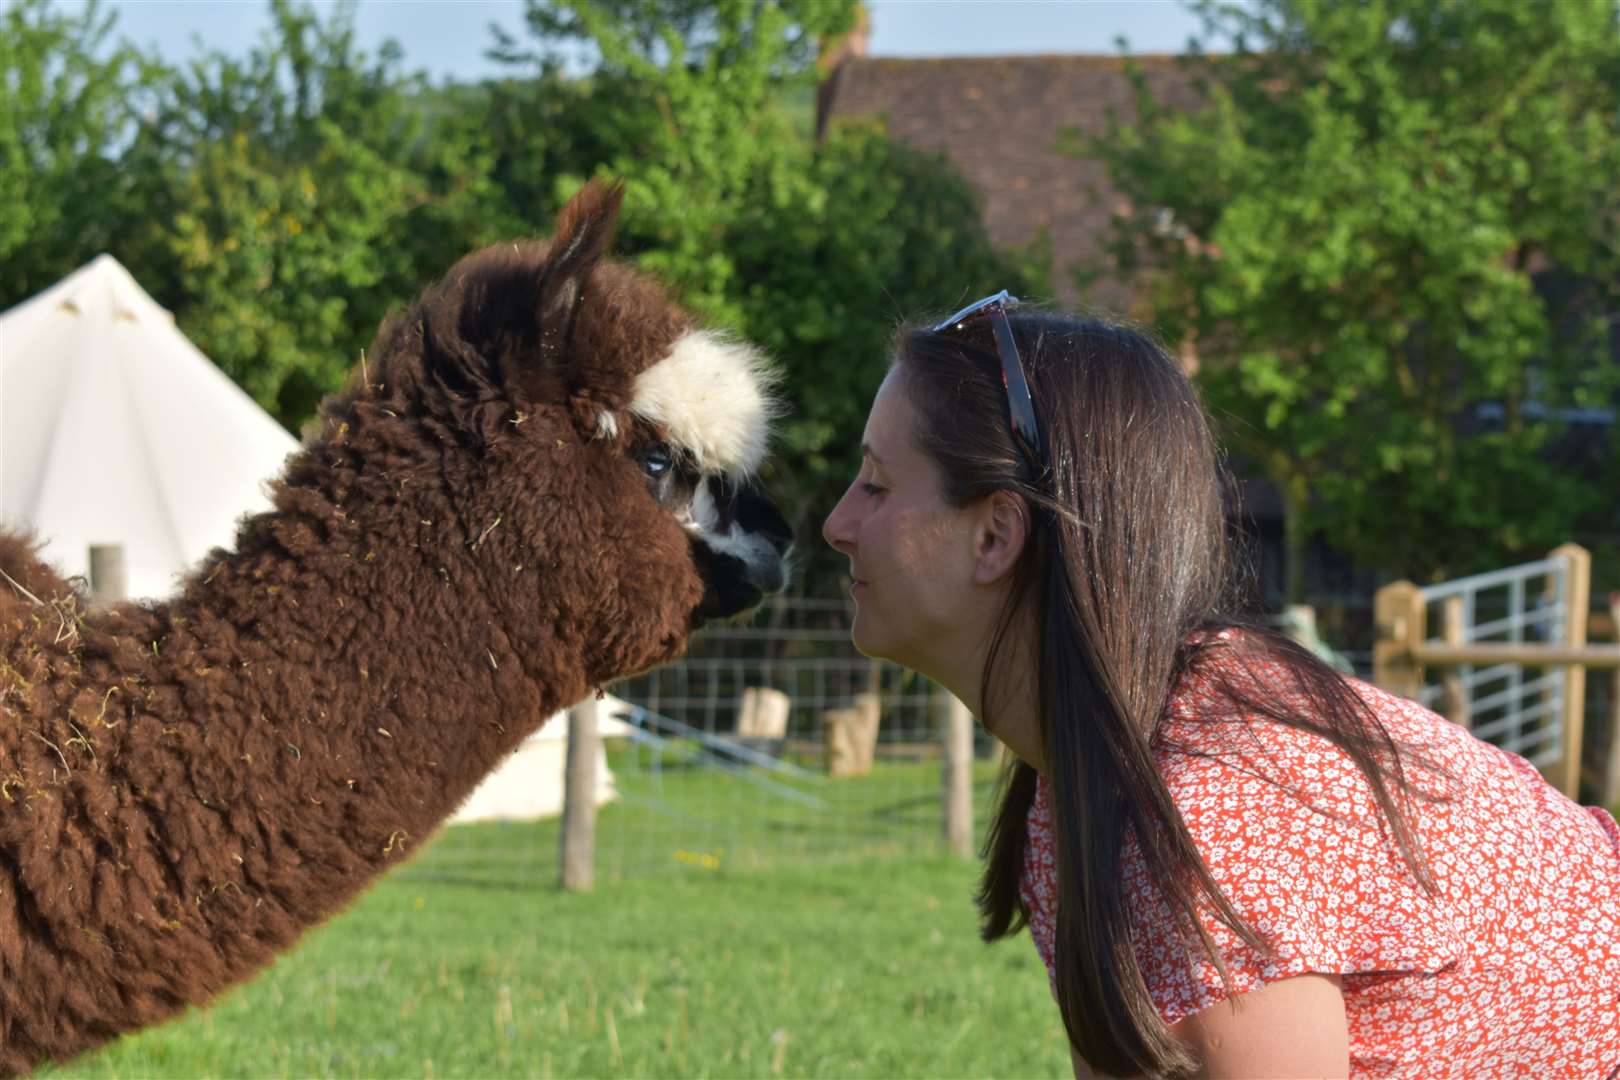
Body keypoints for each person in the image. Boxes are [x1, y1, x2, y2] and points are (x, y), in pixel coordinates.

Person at [821, 293, 1620, 1079]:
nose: (837, 523)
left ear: (995, 534)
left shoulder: (1205, 805)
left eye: (877, 486)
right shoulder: (1103, 766)